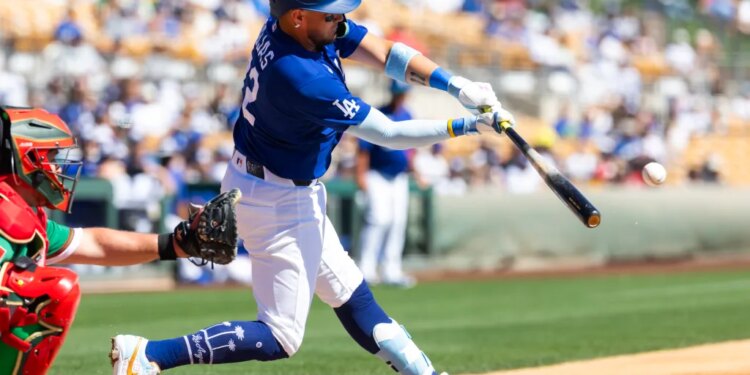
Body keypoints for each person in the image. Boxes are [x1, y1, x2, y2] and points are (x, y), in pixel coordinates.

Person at [110, 1, 515, 374]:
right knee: (281, 335)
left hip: (276, 186)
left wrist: (454, 85)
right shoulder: (299, 75)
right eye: (330, 14)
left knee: (351, 295)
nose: (340, 20)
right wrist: (465, 125)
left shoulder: (295, 25)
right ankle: (149, 355)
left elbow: (386, 53)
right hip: (276, 198)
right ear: (299, 16)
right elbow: (389, 133)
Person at [0, 107, 239, 375]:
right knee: (50, 290)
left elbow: (96, 244)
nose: (58, 167)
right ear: (26, 158)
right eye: (52, 157)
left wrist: (175, 245)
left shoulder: (24, 211)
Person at [356, 80, 417, 287]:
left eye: (403, 93)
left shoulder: (407, 115)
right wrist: (361, 175)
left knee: (397, 222)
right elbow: (364, 148)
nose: (400, 97)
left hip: (399, 176)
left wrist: (415, 170)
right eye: (398, 93)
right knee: (378, 220)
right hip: (377, 174)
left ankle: (392, 270)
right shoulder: (379, 113)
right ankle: (366, 268)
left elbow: (411, 149)